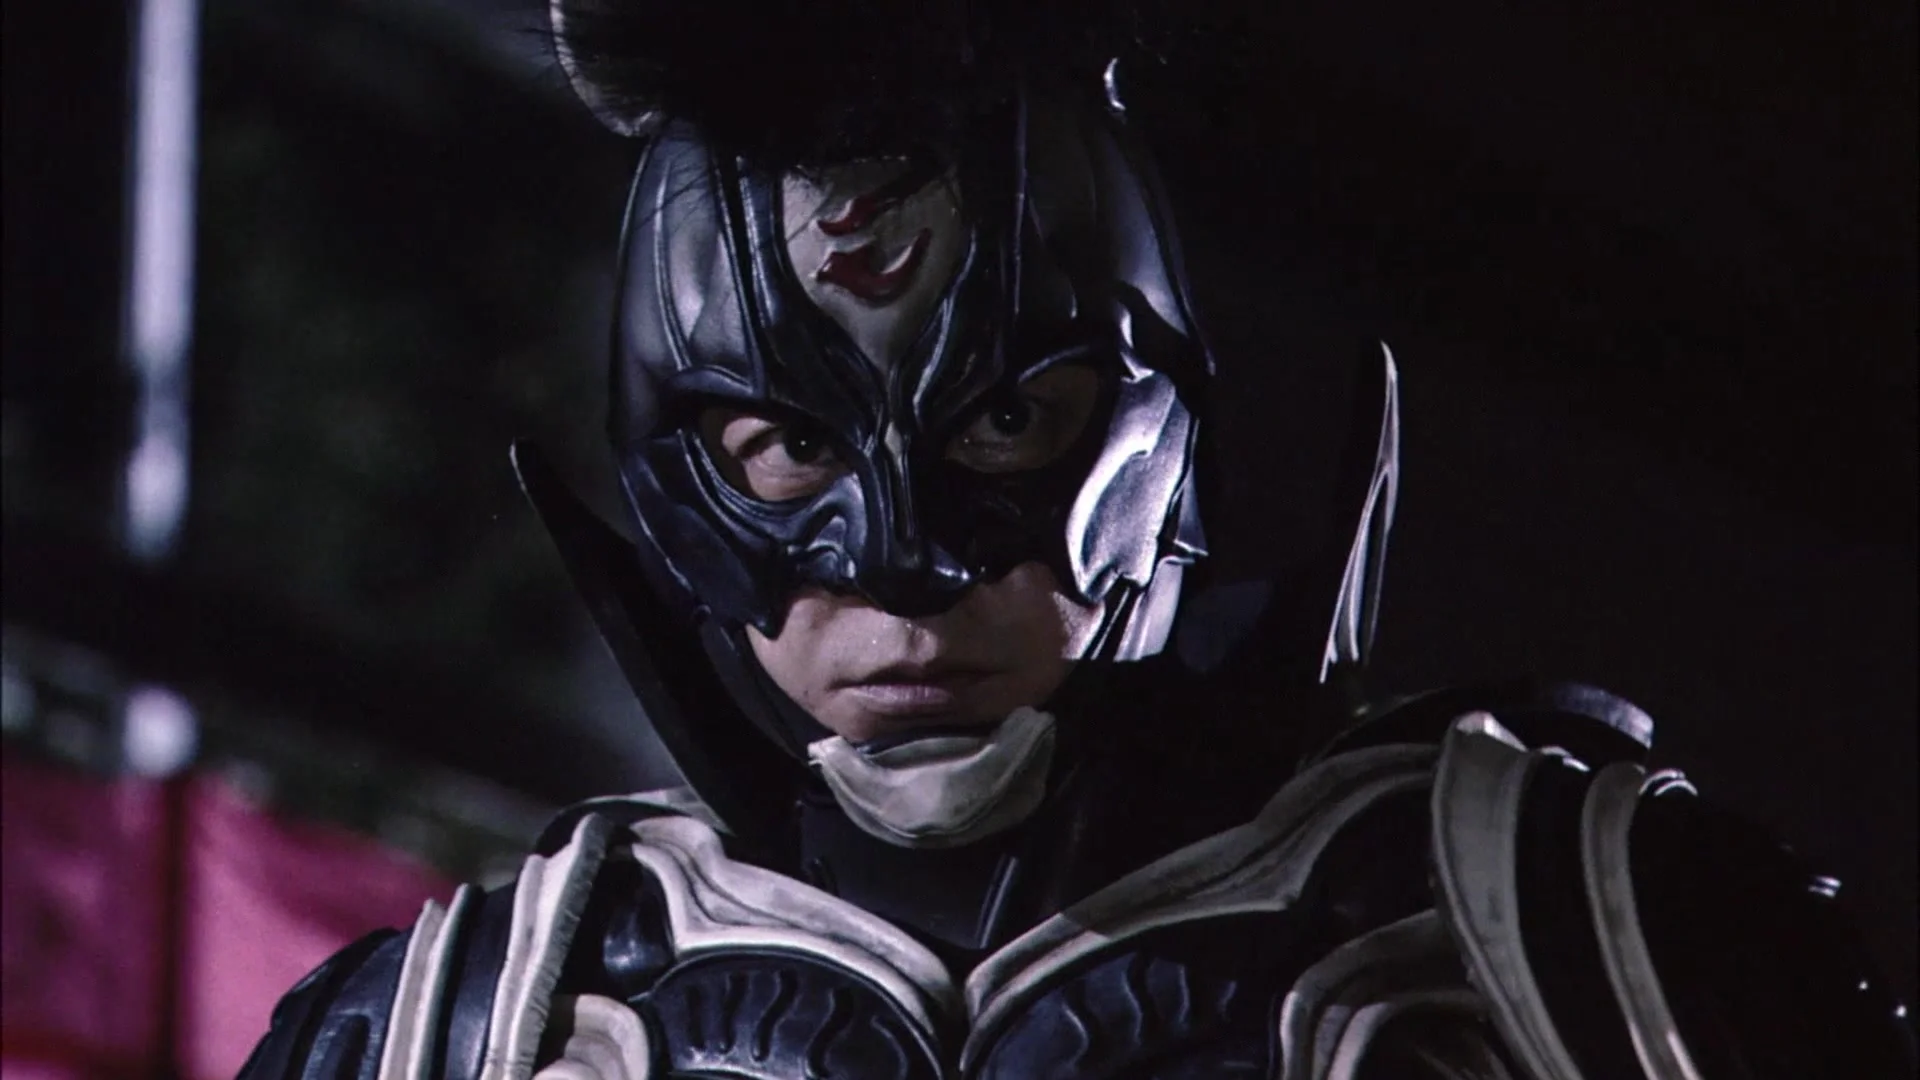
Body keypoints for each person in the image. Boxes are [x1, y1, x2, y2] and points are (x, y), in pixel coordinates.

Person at [239, 3, 1915, 1077]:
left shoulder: (1575, 928)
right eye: (790, 446)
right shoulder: (471, 1021)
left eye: (1002, 424)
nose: (901, 566)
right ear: (677, 471)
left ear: (1154, 423)